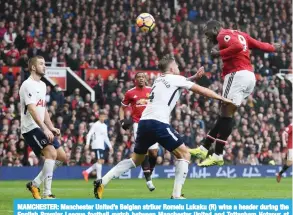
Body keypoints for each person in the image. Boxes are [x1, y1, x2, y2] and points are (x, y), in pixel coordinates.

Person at [93, 54, 232, 199]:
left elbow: (177, 82)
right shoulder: (176, 79)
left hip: (143, 123)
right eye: (177, 66)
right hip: (158, 123)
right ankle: (176, 195)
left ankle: (102, 181)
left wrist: (193, 77)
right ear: (172, 68)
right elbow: (201, 90)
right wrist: (222, 98)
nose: (179, 68)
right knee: (185, 154)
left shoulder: (158, 80)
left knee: (136, 160)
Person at [189, 20, 280, 167]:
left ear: (216, 28)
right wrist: (272, 48)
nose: (208, 37)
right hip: (249, 76)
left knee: (225, 113)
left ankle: (216, 153)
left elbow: (237, 47)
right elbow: (260, 45)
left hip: (236, 75)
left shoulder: (222, 34)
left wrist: (219, 53)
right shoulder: (241, 34)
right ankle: (205, 148)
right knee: (225, 114)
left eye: (208, 33)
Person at [19, 56, 66, 199]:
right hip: (30, 127)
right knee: (51, 153)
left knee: (62, 157)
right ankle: (47, 193)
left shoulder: (43, 85)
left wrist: (50, 127)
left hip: (41, 126)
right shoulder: (27, 85)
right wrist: (44, 129)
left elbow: (43, 109)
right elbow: (32, 109)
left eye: (44, 64)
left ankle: (34, 184)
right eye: (41, 64)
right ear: (33, 67)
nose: (44, 66)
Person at [119, 72, 158, 191]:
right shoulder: (130, 92)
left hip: (152, 123)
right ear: (135, 80)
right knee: (143, 151)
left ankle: (149, 172)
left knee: (154, 153)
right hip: (138, 124)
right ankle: (148, 180)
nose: (141, 79)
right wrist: (121, 121)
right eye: (139, 77)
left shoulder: (151, 90)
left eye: (143, 77)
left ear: (146, 79)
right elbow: (122, 107)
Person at [82, 110, 113, 182]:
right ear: (99, 117)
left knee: (101, 161)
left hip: (102, 145)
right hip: (96, 144)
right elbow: (89, 134)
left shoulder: (105, 126)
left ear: (105, 117)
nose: (102, 118)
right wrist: (87, 143)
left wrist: (110, 146)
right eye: (101, 117)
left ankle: (86, 172)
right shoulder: (95, 125)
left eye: (103, 117)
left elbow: (106, 137)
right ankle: (99, 178)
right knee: (99, 161)